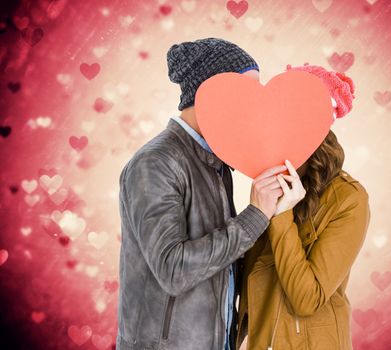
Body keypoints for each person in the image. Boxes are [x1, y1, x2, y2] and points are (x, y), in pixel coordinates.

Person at [116, 38, 286, 350]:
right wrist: (255, 216)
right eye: (245, 94)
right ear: (211, 94)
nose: (254, 108)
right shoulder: (155, 163)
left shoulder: (216, 162)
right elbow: (173, 270)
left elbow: (222, 258)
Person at [236, 63, 371, 350]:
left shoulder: (349, 199)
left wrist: (282, 215)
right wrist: (255, 214)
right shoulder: (270, 178)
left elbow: (307, 299)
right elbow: (247, 275)